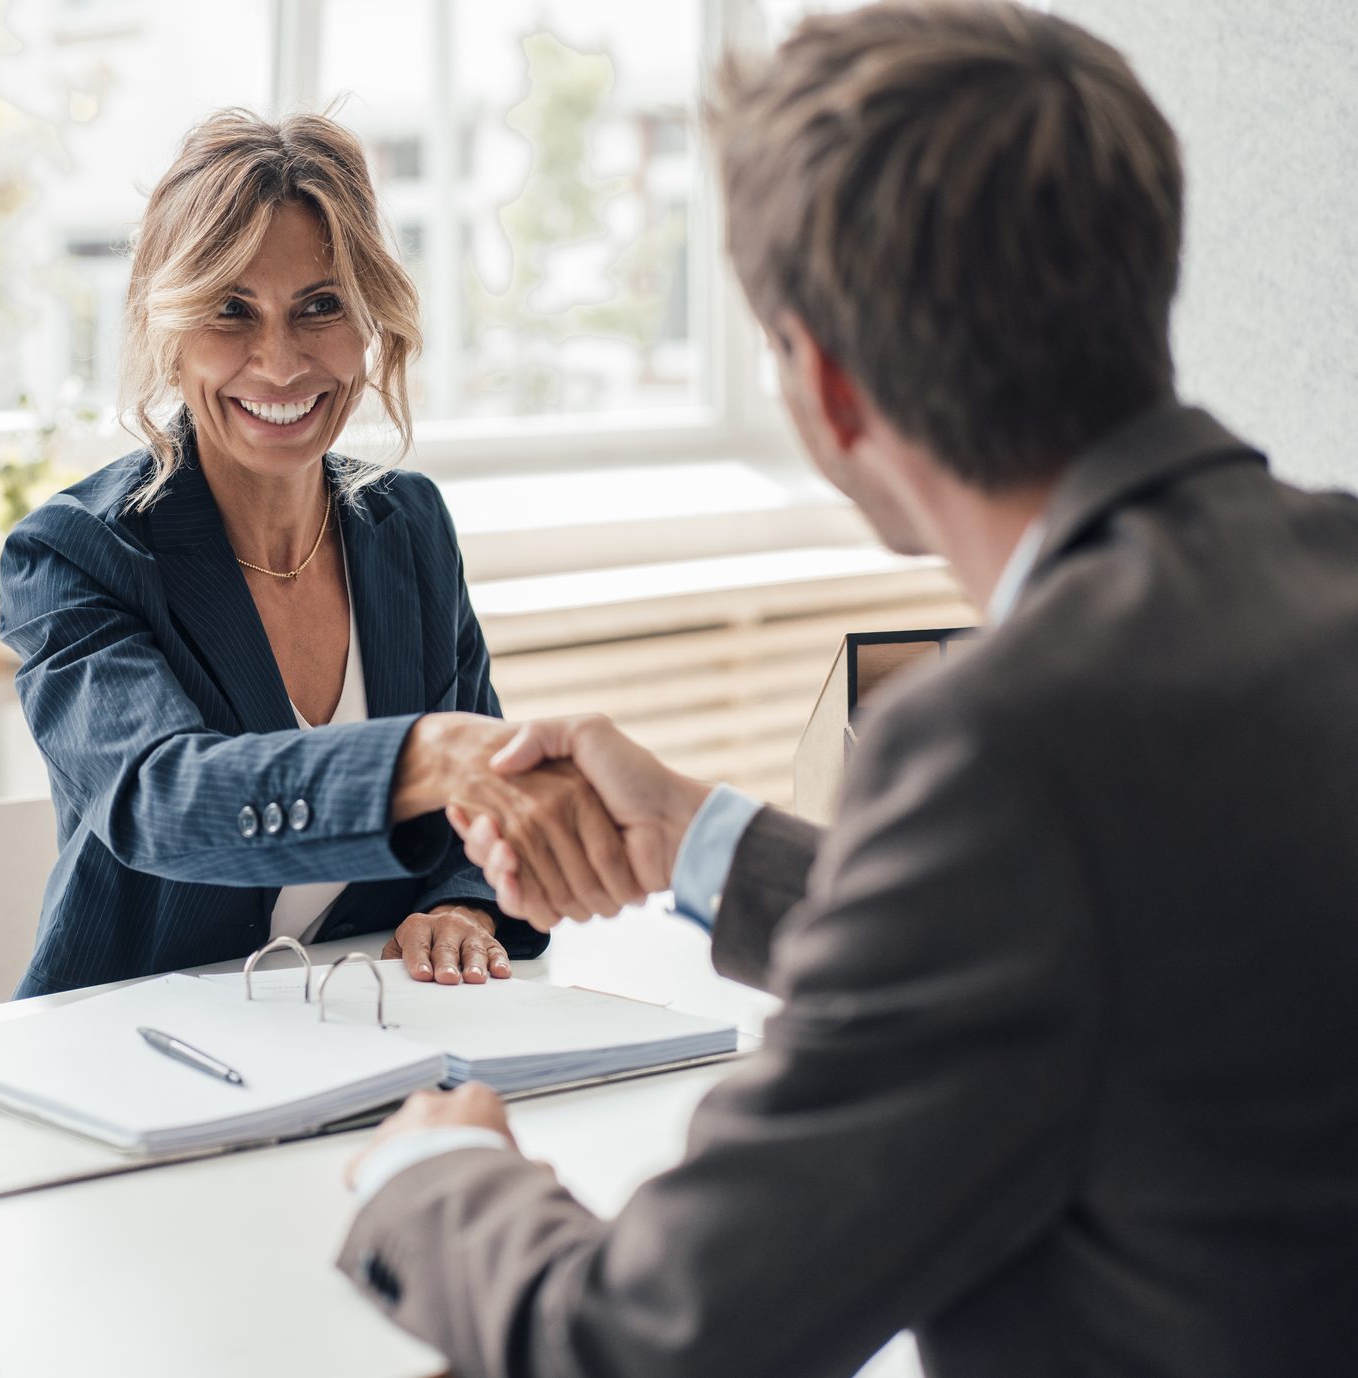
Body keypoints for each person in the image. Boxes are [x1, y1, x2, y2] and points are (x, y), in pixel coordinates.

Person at [335, 3, 1358, 1375]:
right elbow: (1120, 932)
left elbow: (651, 1337)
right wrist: (702, 840)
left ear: (820, 381)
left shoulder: (1006, 747)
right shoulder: (1324, 570)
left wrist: (431, 1185)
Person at [0, 110, 645, 998]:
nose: (280, 361)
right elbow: (162, 802)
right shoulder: (74, 553)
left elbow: (469, 825)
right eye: (231, 310)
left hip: (367, 1025)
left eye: (319, 307)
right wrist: (429, 755)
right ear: (169, 326)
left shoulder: (408, 527)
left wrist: (463, 908)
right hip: (137, 1042)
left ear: (369, 317)